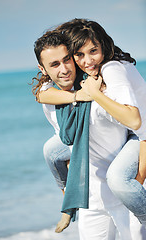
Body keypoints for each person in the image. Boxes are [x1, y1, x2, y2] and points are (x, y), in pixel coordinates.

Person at [32, 29, 146, 239]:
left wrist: (140, 176)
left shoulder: (101, 87)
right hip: (91, 198)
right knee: (50, 150)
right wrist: (77, 95)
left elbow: (136, 127)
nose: (65, 69)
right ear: (43, 69)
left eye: (67, 60)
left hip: (124, 192)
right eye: (55, 64)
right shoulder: (51, 98)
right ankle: (68, 203)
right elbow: (68, 142)